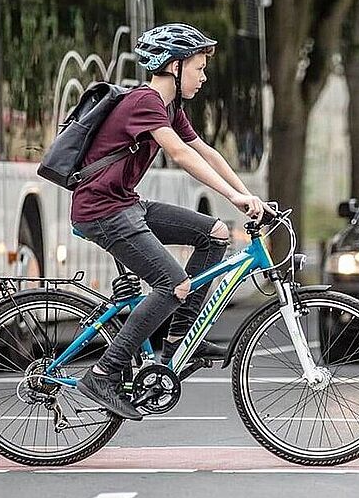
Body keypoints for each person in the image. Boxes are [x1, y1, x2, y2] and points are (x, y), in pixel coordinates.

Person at [72, 23, 271, 420]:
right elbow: (180, 155)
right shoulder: (144, 102)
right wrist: (234, 197)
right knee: (173, 283)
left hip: (125, 203)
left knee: (215, 234)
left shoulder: (170, 107)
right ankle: (103, 373)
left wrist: (247, 195)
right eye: (198, 68)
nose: (204, 76)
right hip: (103, 210)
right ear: (174, 66)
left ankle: (182, 337)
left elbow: (206, 152)